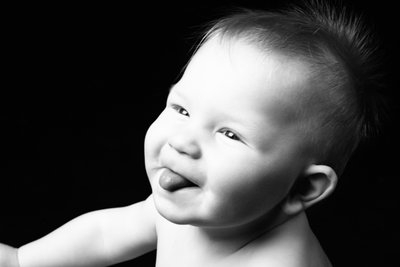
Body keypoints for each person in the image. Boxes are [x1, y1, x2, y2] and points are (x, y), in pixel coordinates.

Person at [0, 1, 384, 266]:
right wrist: (23, 259)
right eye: (181, 109)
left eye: (230, 134)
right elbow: (104, 234)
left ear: (303, 188)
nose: (182, 142)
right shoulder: (203, 203)